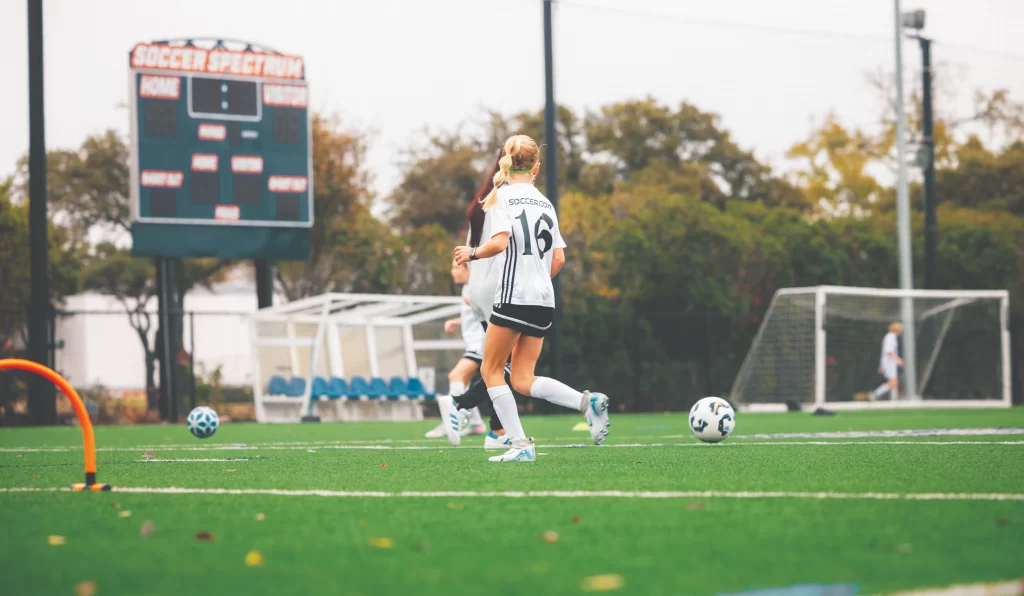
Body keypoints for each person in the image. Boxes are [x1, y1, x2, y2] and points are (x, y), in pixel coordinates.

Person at [448, 134, 610, 462]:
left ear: (505, 163)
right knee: (522, 377)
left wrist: (471, 253)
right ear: (536, 167)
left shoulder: (501, 197)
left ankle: (521, 446)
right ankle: (585, 402)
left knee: (491, 370)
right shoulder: (545, 202)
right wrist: (536, 280)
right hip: (543, 300)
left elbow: (499, 243)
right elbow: (559, 259)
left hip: (513, 297)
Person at [423, 262, 488, 439]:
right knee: (464, 382)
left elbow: (487, 309)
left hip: (481, 343)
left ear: (469, 270)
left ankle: (452, 420)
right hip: (475, 343)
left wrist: (474, 301)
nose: (452, 271)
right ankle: (475, 423)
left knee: (456, 376)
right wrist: (455, 321)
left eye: (456, 267)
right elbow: (473, 314)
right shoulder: (467, 289)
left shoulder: (476, 288)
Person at [870, 322, 904, 401]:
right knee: (894, 382)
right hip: (889, 363)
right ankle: (875, 394)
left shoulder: (891, 337)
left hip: (889, 363)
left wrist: (881, 366)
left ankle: (894, 401)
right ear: (897, 329)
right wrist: (897, 359)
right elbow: (888, 351)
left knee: (894, 382)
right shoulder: (890, 337)